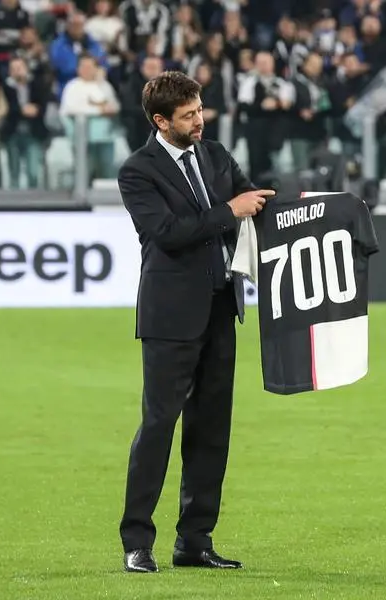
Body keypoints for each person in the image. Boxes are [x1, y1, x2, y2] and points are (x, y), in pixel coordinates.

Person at [117, 70, 275, 574]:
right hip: (169, 317)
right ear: (161, 121)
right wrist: (229, 210)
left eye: (200, 109)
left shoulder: (216, 156)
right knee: (159, 425)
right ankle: (137, 541)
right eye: (188, 116)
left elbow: (257, 204)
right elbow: (166, 232)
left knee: (211, 430)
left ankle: (194, 540)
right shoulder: (138, 171)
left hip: (219, 309)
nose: (199, 121)